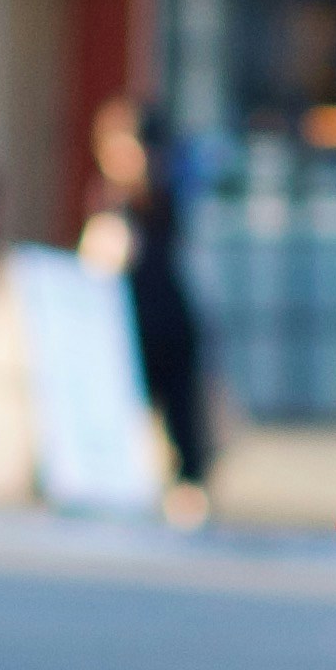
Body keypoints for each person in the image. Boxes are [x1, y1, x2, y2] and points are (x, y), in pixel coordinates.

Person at [83, 96, 210, 512]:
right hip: (125, 324)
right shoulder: (110, 201)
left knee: (178, 409)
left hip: (162, 320)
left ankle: (186, 480)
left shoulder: (160, 200)